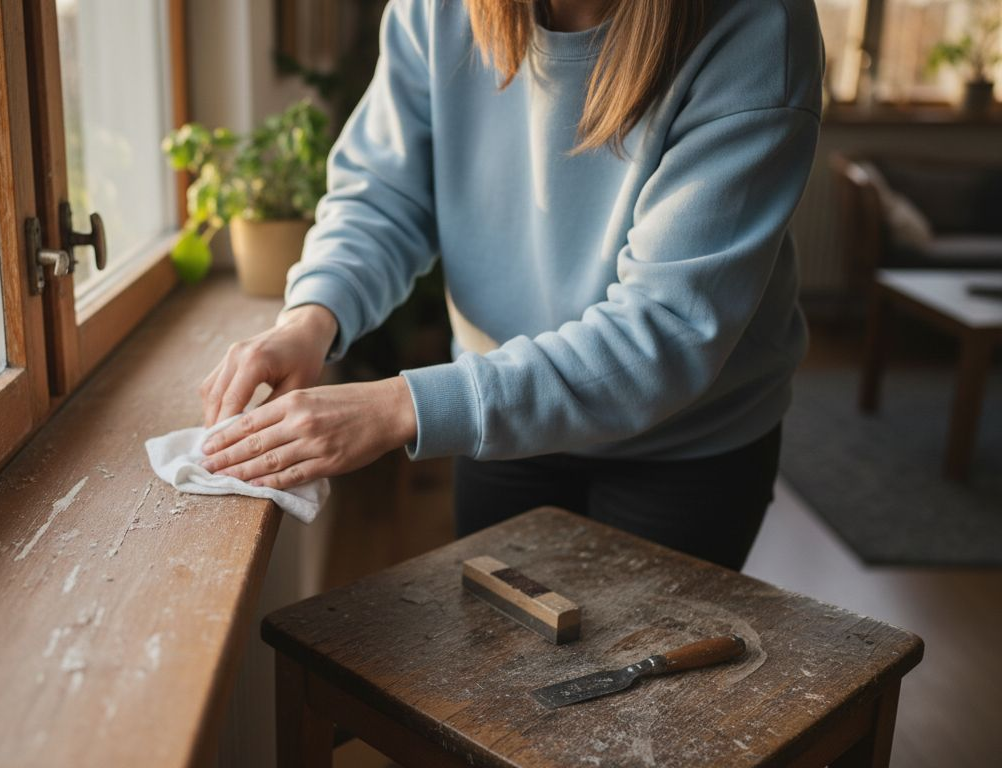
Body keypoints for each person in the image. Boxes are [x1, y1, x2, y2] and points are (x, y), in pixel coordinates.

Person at [196, 0, 822, 570]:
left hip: (685, 450)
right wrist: (312, 316)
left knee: (644, 666)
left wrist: (401, 407)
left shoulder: (757, 26)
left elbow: (665, 329)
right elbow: (383, 196)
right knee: (498, 651)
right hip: (503, 427)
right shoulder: (435, 11)